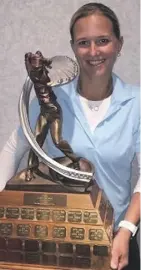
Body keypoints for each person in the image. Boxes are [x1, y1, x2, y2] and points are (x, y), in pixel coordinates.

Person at [0, 2, 140, 270]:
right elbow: (13, 148)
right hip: (54, 238)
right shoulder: (53, 97)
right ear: (73, 47)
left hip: (118, 237)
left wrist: (127, 229)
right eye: (83, 42)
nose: (94, 51)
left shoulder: (137, 102)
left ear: (119, 44)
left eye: (103, 40)